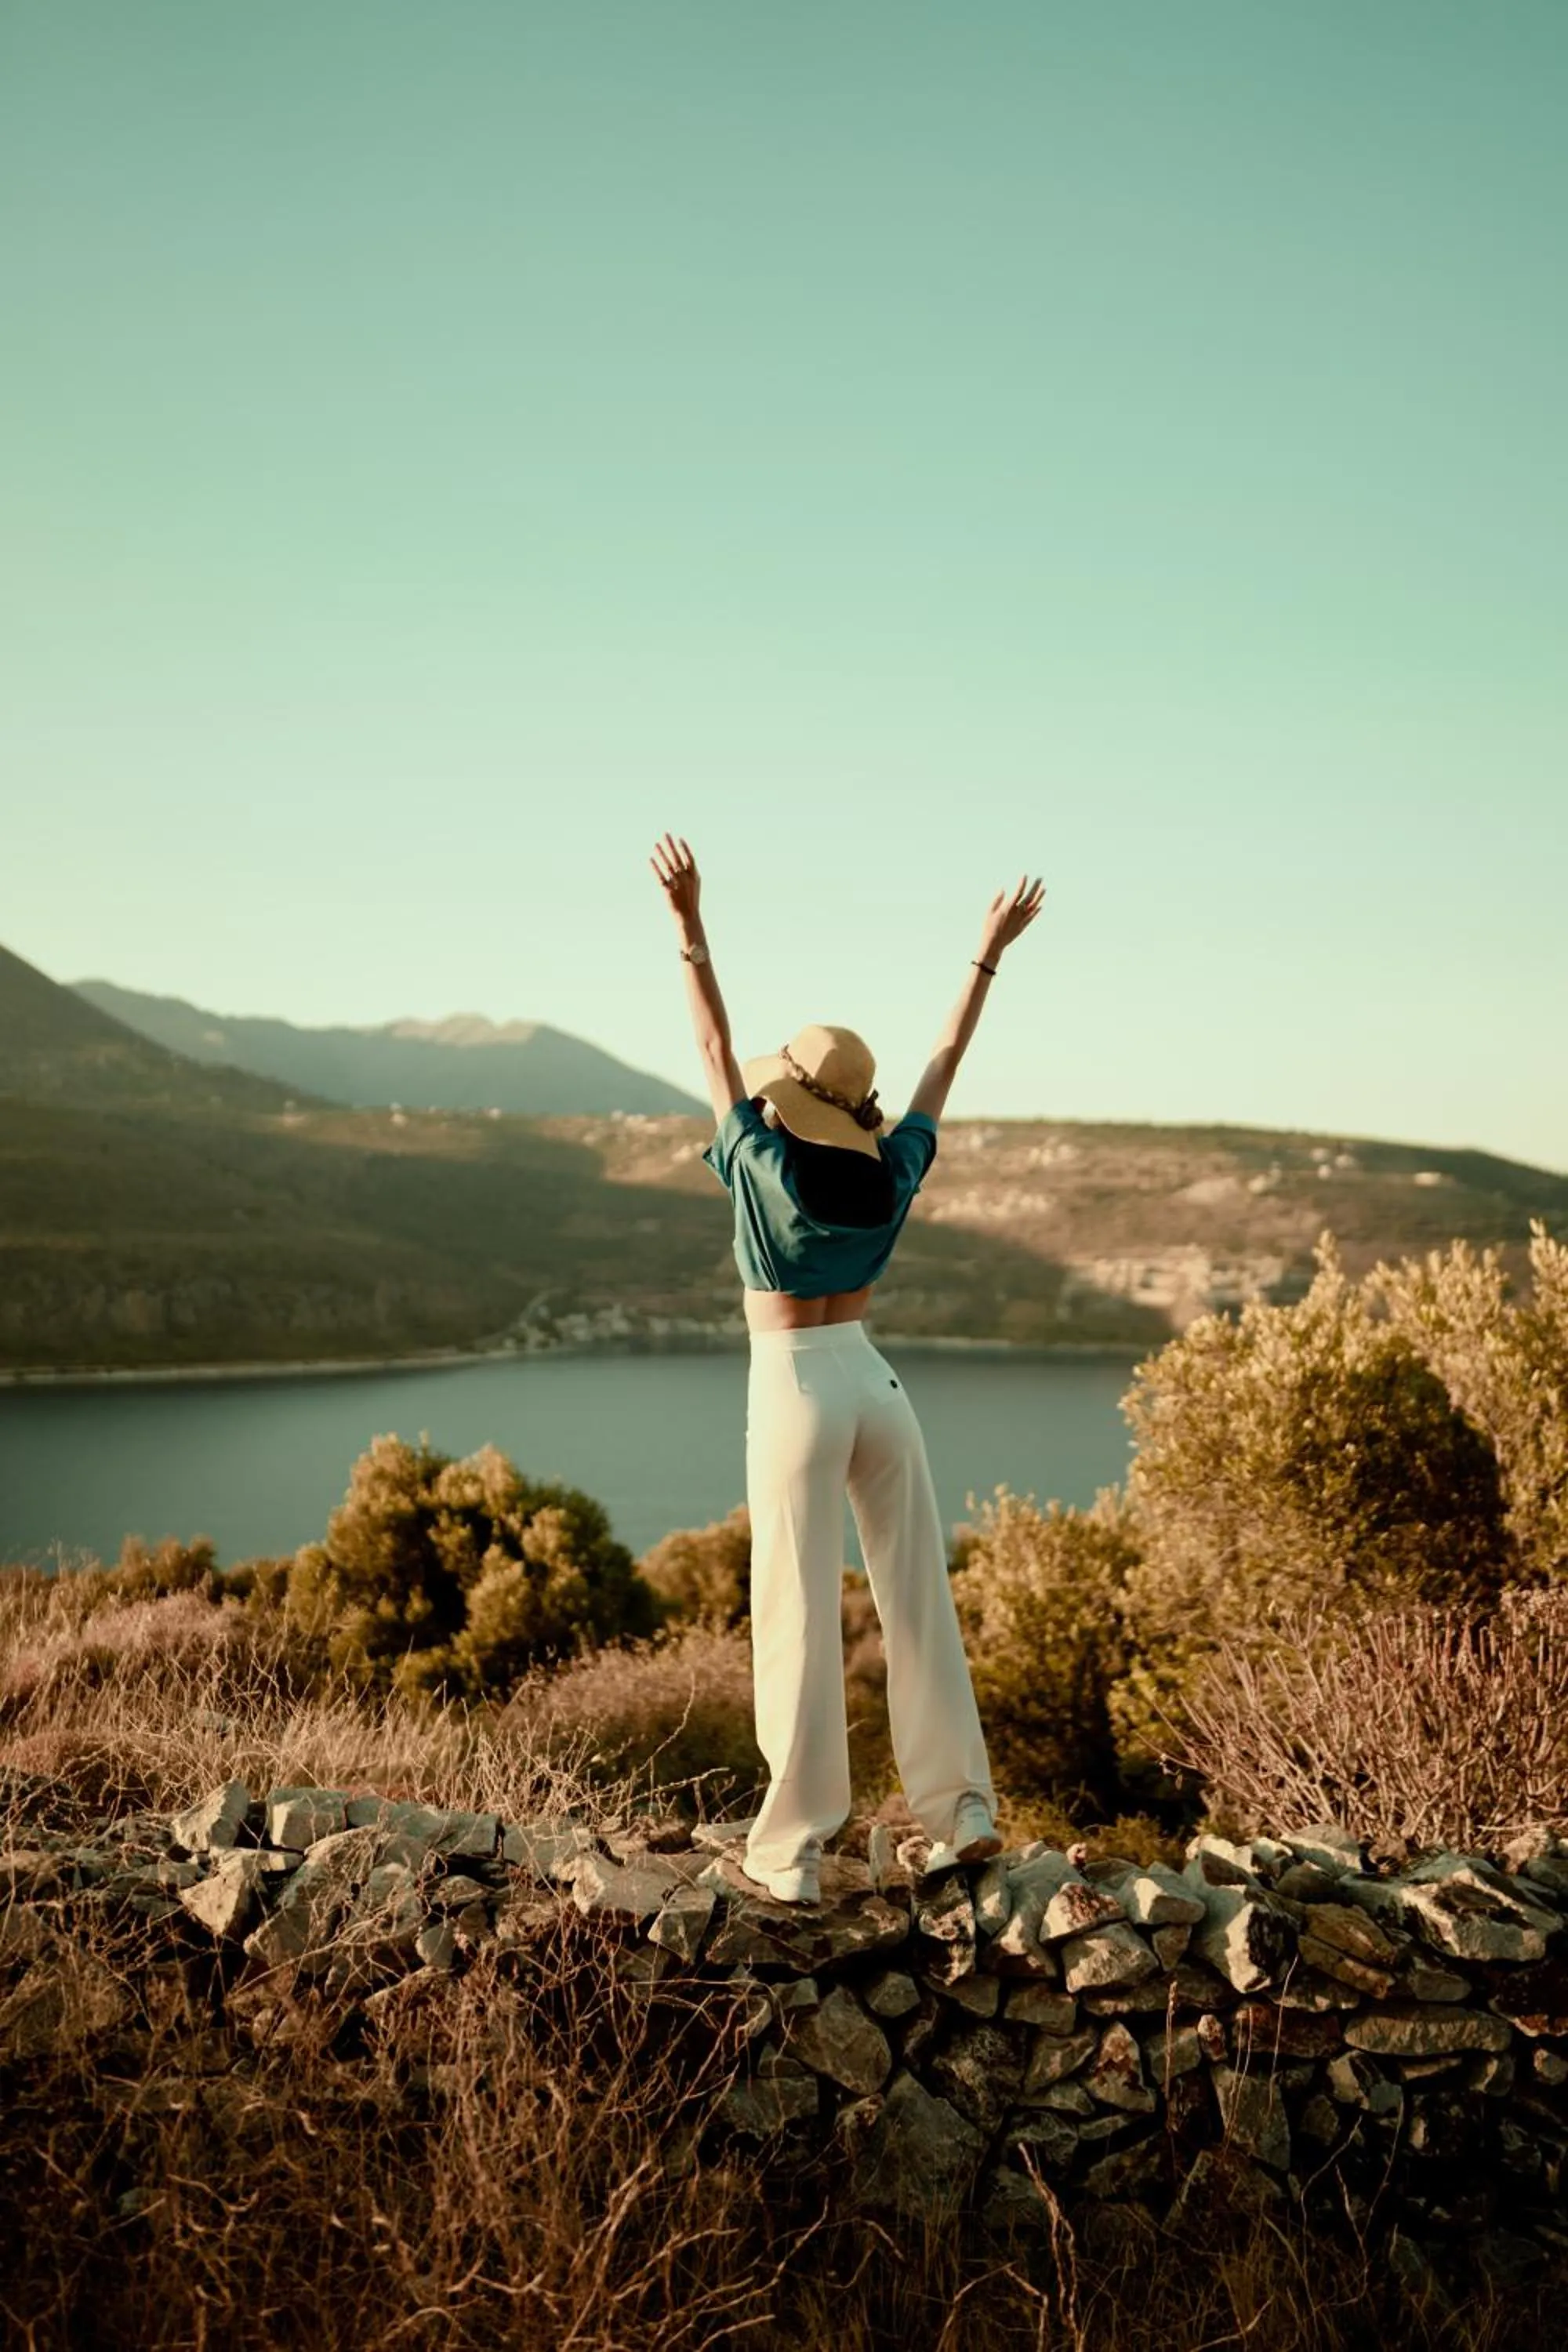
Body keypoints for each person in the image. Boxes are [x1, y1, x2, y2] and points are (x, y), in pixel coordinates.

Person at [648, 833, 1046, 1904]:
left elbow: (712, 1042)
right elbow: (944, 1062)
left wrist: (689, 924)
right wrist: (987, 952)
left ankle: (792, 1851)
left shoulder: (758, 1155)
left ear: (790, 1098)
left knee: (796, 1612)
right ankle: (961, 1810)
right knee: (918, 1599)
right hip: (877, 1384)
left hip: (794, 1386)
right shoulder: (894, 1168)